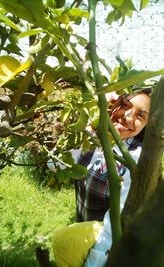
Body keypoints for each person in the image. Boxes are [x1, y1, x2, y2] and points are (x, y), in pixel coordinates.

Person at [52, 88, 151, 267]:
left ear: (146, 125)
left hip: (107, 247)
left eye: (140, 116)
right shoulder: (95, 137)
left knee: (61, 242)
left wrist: (94, 263)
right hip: (86, 233)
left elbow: (114, 225)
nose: (128, 117)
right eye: (126, 105)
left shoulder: (135, 161)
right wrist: (91, 120)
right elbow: (55, 165)